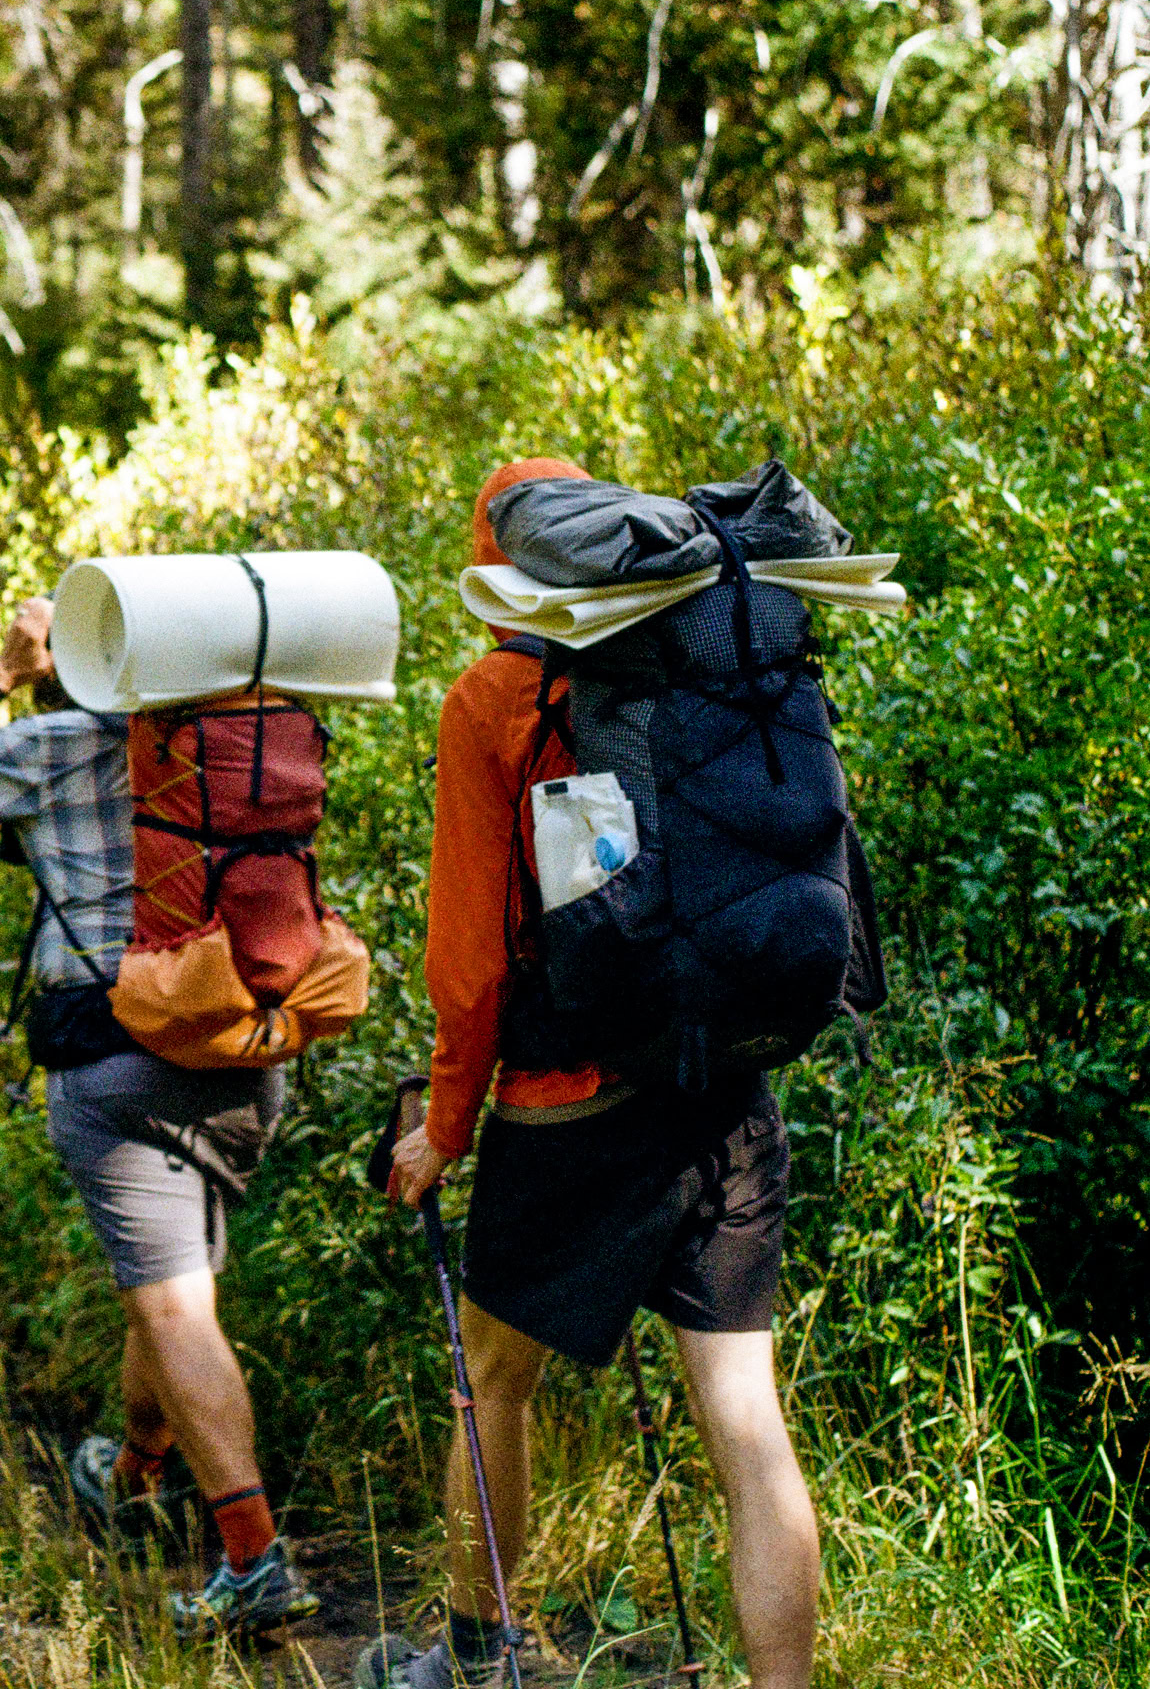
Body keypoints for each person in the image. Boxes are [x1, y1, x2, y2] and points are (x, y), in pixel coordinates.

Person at [360, 459, 821, 1689]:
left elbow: (469, 961)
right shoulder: (713, 663)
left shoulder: (496, 695)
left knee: (492, 1381)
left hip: (572, 1104)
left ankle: (473, 1654)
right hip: (725, 1089)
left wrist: (444, 1125)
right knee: (747, 1421)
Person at [0, 596, 318, 1637]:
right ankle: (134, 1473)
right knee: (174, 1289)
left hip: (119, 1059)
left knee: (174, 1311)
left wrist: (0, 674)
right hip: (247, 1047)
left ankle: (255, 1563)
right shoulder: (246, 741)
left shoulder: (60, 743)